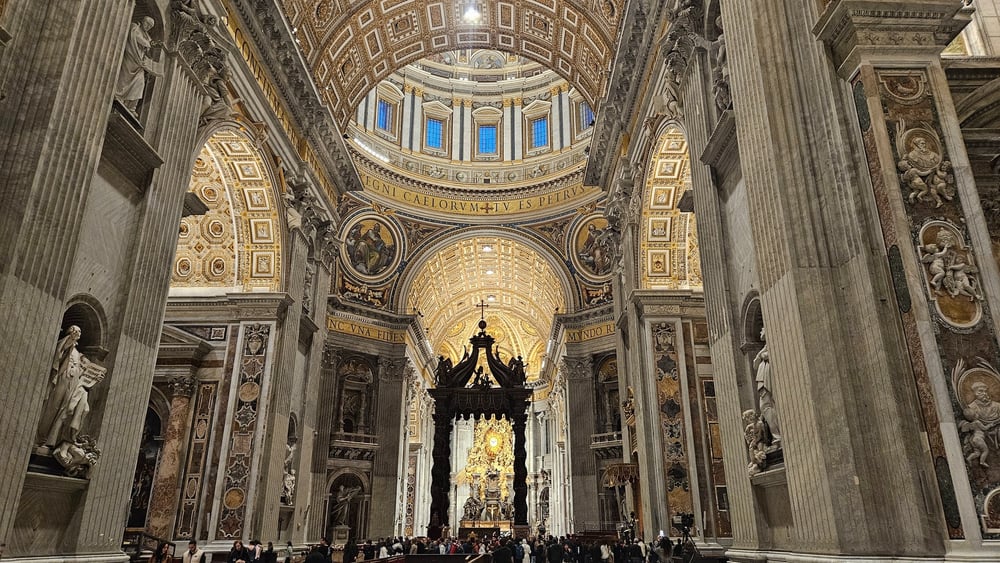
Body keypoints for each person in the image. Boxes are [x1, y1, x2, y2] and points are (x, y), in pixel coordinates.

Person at [115, 16, 160, 112]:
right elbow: (136, 37)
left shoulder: (148, 36)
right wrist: (150, 44)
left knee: (140, 82)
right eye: (147, 24)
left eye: (150, 26)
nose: (148, 27)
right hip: (130, 58)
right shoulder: (134, 27)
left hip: (139, 63)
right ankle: (119, 97)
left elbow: (147, 51)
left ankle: (131, 107)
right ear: (143, 21)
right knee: (123, 79)